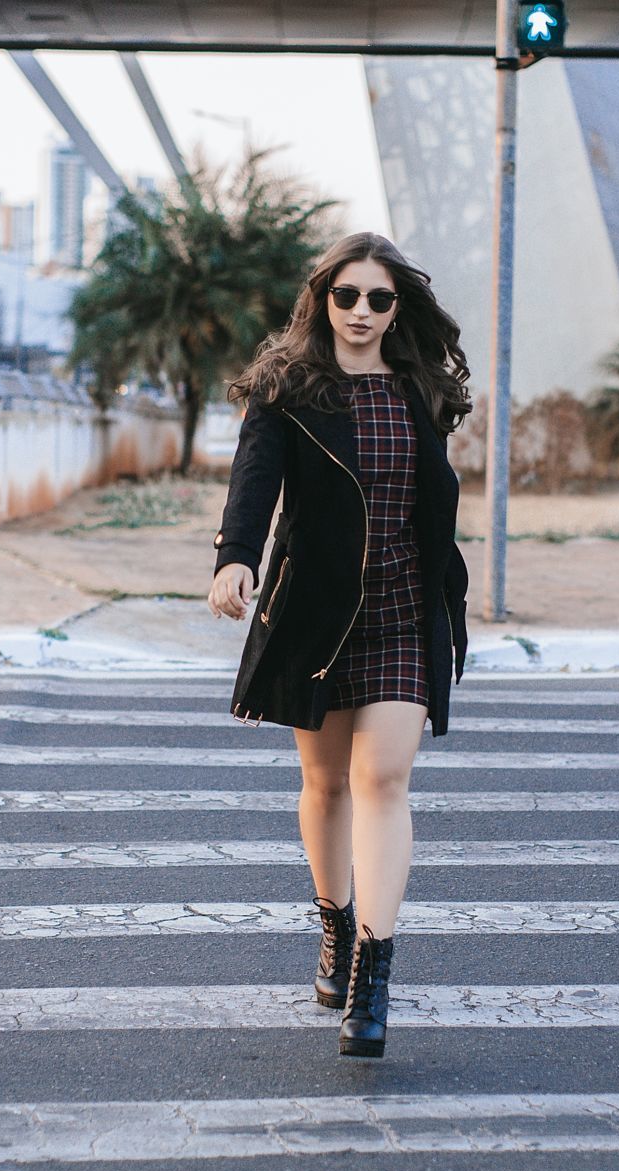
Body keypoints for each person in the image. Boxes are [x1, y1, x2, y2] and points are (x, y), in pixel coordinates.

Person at [207, 231, 471, 1058]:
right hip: (316, 612)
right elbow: (254, 483)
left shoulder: (419, 388)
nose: (361, 312)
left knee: (381, 778)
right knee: (324, 787)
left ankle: (372, 976)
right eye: (346, 296)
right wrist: (236, 559)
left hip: (401, 607)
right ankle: (335, 926)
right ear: (323, 300)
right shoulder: (290, 388)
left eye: (379, 299)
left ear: (399, 309)